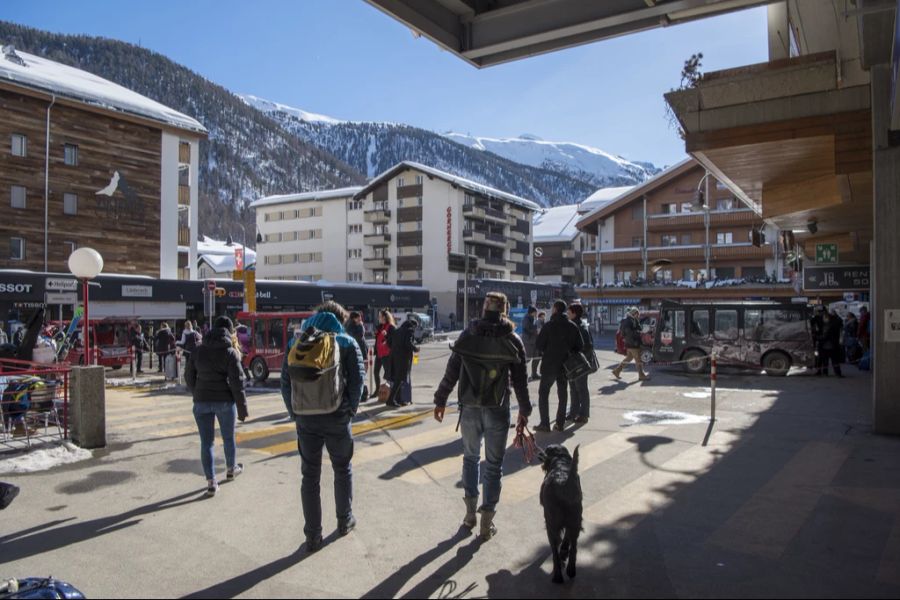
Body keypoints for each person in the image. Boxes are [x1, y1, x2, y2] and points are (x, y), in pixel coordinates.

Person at [433, 292, 531, 540]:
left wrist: (441, 399)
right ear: (505, 310)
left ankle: (469, 516)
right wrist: (524, 411)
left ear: (484, 309)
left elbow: (452, 370)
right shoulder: (513, 339)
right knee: (494, 466)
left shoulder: (468, 335)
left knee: (469, 459)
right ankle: (487, 523)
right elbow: (520, 381)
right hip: (498, 409)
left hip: (469, 407)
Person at [281, 301, 365, 552]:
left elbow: (286, 382)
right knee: (342, 469)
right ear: (341, 318)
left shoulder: (297, 343)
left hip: (306, 418)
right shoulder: (347, 342)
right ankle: (344, 520)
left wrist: (294, 412)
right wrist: (349, 410)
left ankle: (313, 536)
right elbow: (358, 380)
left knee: (310, 476)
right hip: (337, 415)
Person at [184, 316, 248, 497]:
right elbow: (237, 383)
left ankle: (211, 483)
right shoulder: (230, 352)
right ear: (229, 331)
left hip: (201, 401)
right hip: (225, 402)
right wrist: (242, 409)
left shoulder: (198, 350)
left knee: (207, 443)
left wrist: (197, 392)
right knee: (228, 438)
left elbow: (188, 375)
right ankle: (231, 469)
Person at [535, 300, 583, 432]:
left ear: (555, 309)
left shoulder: (548, 326)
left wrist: (547, 350)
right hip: (565, 366)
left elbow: (539, 345)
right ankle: (560, 423)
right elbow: (580, 346)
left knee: (543, 393)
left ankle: (545, 423)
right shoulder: (572, 326)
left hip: (549, 365)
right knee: (562, 394)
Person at [566, 303, 595, 424]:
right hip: (575, 362)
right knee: (573, 388)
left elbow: (587, 346)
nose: (567, 314)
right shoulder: (578, 324)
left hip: (580, 363)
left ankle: (584, 415)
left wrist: (578, 356)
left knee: (581, 388)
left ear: (574, 313)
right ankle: (573, 412)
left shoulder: (579, 326)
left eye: (569, 312)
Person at [386, 314, 419, 407]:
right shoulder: (409, 331)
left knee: (398, 379)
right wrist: (415, 349)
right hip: (403, 359)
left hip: (394, 358)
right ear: (412, 325)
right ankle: (391, 400)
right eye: (415, 327)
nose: (415, 329)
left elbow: (389, 343)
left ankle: (398, 399)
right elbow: (408, 343)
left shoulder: (397, 330)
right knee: (399, 380)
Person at [612, 307, 649, 381]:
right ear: (633, 313)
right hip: (632, 343)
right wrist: (639, 332)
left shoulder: (633, 320)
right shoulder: (628, 321)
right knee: (638, 360)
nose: (638, 316)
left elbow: (638, 329)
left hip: (631, 343)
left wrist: (642, 329)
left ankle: (617, 371)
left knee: (628, 358)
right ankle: (641, 375)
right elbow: (629, 333)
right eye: (637, 314)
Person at [372, 310, 396, 398]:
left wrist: (386, 336)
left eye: (380, 316)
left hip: (386, 354)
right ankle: (377, 391)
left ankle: (390, 393)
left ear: (385, 317)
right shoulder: (380, 327)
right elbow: (378, 340)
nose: (378, 318)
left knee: (388, 374)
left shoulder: (391, 327)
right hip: (379, 353)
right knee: (375, 372)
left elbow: (393, 340)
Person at [818, 310, 844, 377]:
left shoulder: (829, 326)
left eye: (825, 317)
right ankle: (837, 373)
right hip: (833, 345)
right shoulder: (834, 324)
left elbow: (825, 336)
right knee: (833, 360)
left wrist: (819, 337)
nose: (824, 319)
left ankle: (826, 373)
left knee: (827, 360)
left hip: (828, 345)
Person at [521, 306, 539, 382]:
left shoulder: (532, 318)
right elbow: (526, 328)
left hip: (534, 341)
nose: (536, 313)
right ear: (532, 312)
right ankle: (521, 374)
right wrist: (536, 329)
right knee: (527, 358)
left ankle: (534, 374)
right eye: (536, 312)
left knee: (537, 357)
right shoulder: (527, 318)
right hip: (528, 341)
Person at [532, 311, 546, 380]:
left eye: (544, 316)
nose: (544, 318)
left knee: (538, 358)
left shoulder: (541, 322)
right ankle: (534, 374)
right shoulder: (538, 322)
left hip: (540, 342)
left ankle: (535, 373)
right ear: (540, 316)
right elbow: (539, 331)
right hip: (538, 342)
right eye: (542, 316)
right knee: (536, 358)